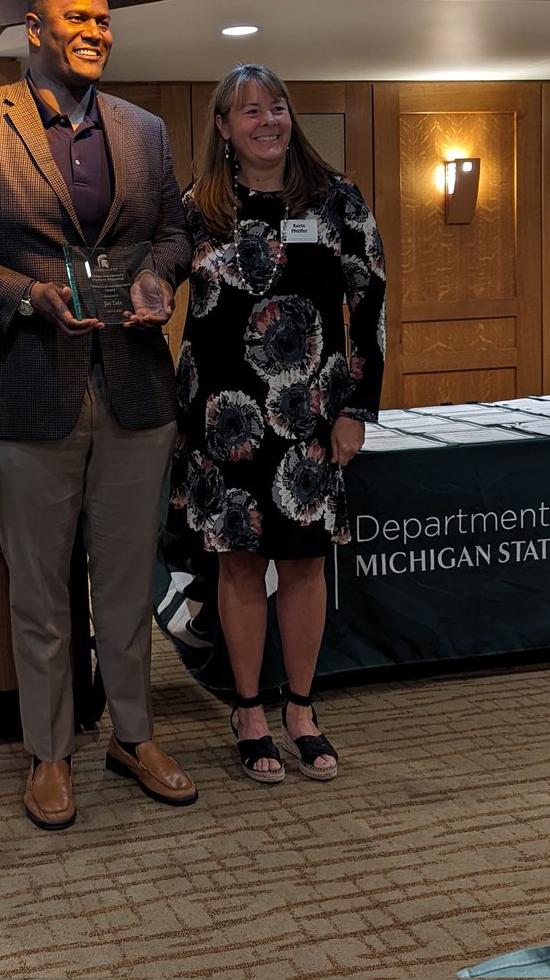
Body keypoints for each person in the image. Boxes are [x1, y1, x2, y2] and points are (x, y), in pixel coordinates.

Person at [0, 0, 197, 829]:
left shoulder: (144, 131)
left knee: (124, 584)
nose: (97, 31)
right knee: (38, 590)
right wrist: (28, 295)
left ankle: (133, 735)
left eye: (105, 19)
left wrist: (157, 276)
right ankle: (48, 752)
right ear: (32, 30)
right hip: (28, 388)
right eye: (78, 16)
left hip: (136, 390)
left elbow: (177, 229)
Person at [170, 64, 385, 783]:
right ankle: (249, 710)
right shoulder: (198, 210)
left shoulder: (336, 202)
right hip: (225, 421)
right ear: (224, 129)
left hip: (310, 421)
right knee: (237, 565)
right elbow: (159, 292)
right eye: (250, 111)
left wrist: (358, 409)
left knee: (303, 563)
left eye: (278, 107)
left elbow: (371, 311)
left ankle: (301, 709)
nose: (268, 121)